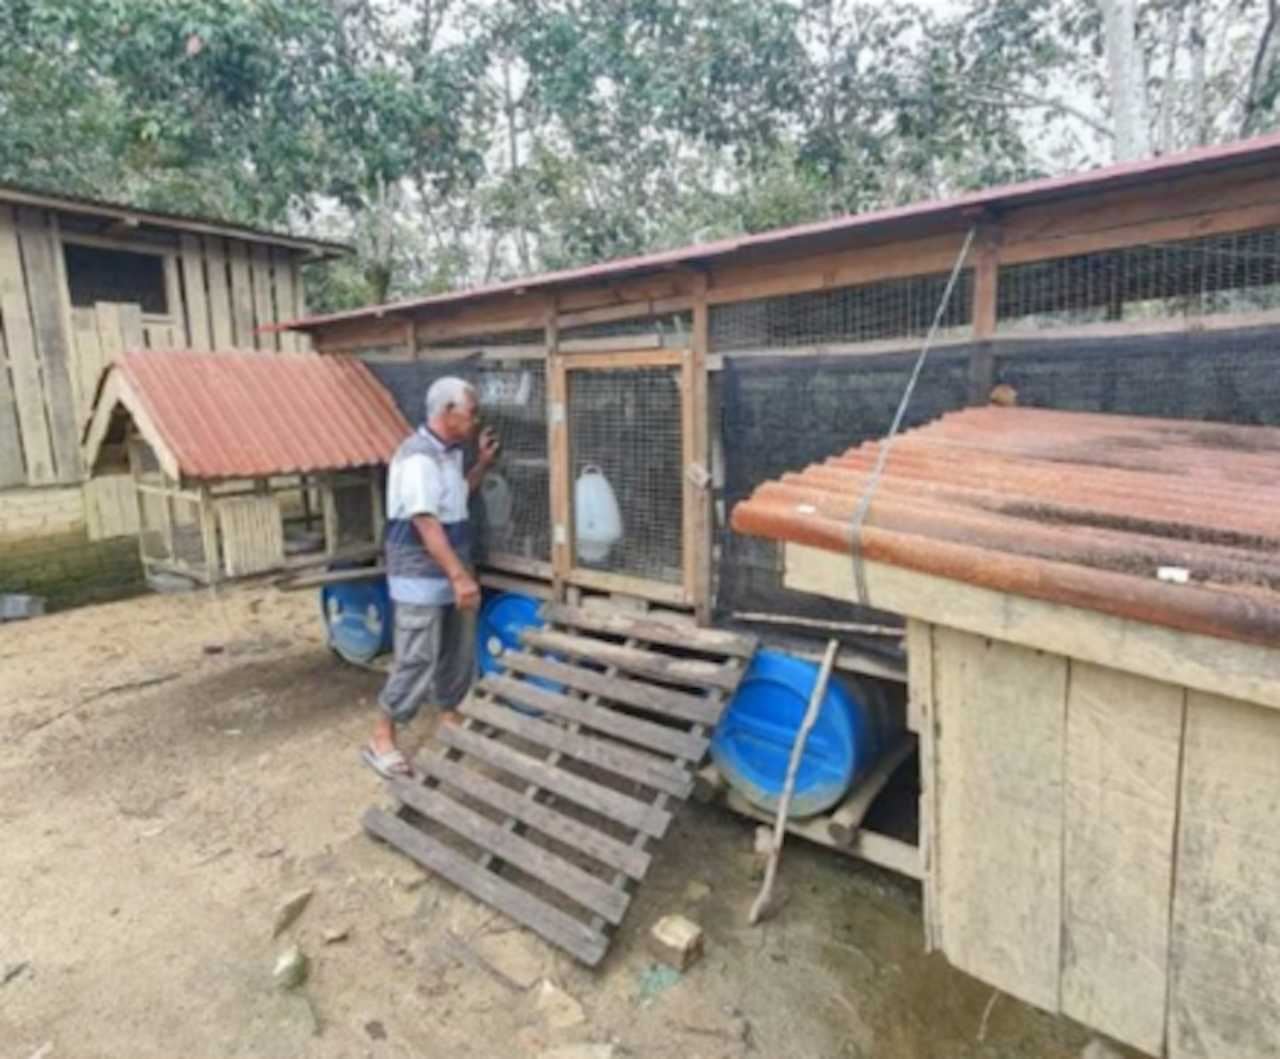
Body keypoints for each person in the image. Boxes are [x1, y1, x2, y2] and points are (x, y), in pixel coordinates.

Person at [362, 376, 500, 779]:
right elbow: (425, 520)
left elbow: (455, 495)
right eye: (471, 413)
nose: (475, 421)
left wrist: (482, 466)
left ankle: (448, 713)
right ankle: (382, 735)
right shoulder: (418, 456)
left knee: (455, 650)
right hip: (422, 577)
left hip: (451, 572)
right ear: (448, 412)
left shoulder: (449, 454)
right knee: (417, 656)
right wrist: (459, 577)